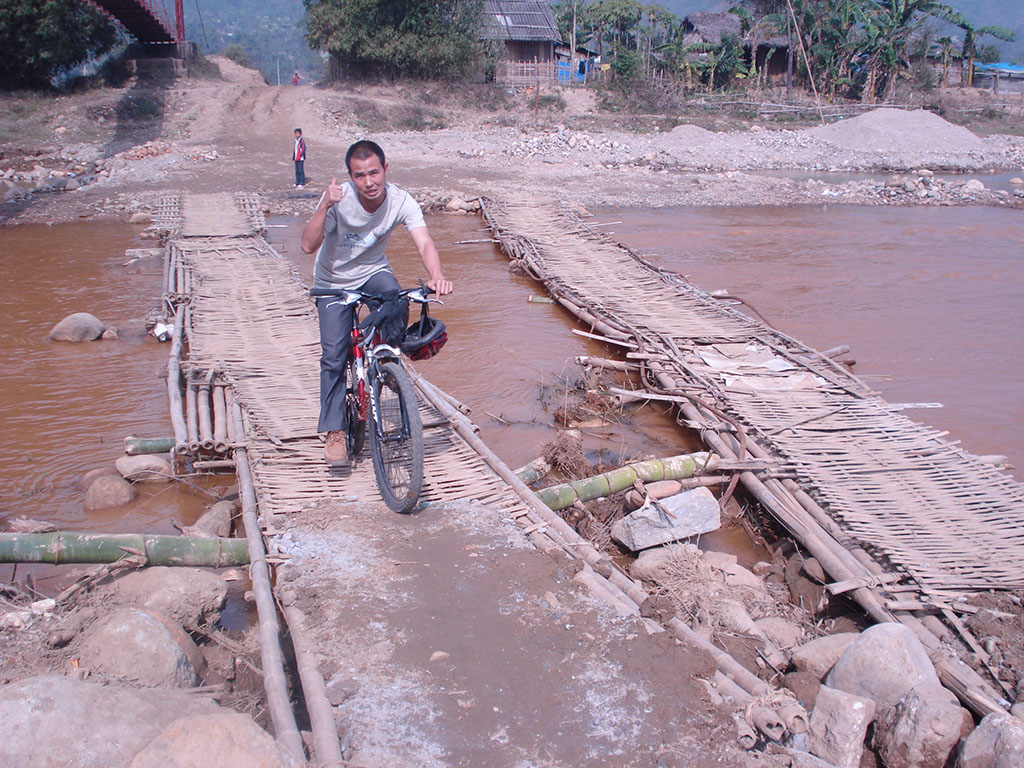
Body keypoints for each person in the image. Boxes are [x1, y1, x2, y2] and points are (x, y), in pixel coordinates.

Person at [301, 140, 453, 465]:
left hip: (373, 272)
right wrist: (324, 206)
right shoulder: (338, 200)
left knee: (397, 299)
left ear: (386, 170)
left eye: (374, 172)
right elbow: (306, 245)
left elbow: (423, 239)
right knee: (333, 357)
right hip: (332, 282)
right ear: (350, 178)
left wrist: (437, 274)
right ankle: (334, 431)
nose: (368, 182)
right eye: (359, 176)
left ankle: (383, 361)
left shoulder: (400, 200)